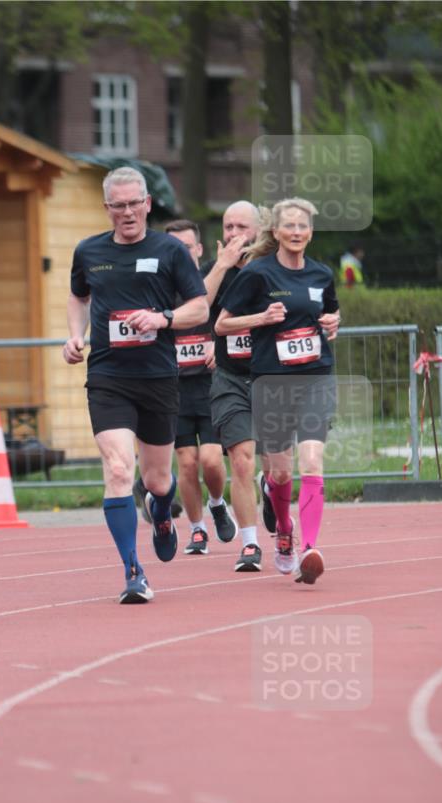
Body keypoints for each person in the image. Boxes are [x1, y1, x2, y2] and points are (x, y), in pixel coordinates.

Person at [64, 166, 209, 604]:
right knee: (119, 470)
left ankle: (162, 513)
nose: (127, 212)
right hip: (108, 377)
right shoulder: (88, 251)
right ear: (107, 208)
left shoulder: (169, 251)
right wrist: (76, 335)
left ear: (148, 204)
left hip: (158, 378)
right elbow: (78, 296)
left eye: (134, 203)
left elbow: (200, 308)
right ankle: (132, 570)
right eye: (118, 205)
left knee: (158, 479)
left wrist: (162, 318)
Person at [215, 197, 340, 584]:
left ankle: (310, 549)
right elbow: (221, 325)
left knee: (313, 462)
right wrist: (262, 318)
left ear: (311, 232)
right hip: (272, 383)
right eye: (290, 226)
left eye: (304, 227)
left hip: (316, 378)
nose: (297, 232)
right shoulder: (257, 275)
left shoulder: (321, 275)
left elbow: (329, 314)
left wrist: (334, 322)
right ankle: (284, 530)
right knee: (281, 474)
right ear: (276, 232)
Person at [205, 201, 276, 572]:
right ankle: (250, 545)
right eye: (227, 226)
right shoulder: (218, 271)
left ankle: (272, 491)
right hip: (230, 379)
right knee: (242, 461)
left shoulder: (275, 268)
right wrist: (220, 266)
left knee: (277, 469)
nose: (233, 234)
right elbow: (196, 309)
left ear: (259, 230)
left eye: (241, 227)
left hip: (272, 379)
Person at [161, 218, 237, 555]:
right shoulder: (158, 286)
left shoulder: (215, 282)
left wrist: (217, 347)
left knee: (210, 460)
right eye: (173, 247)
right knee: (187, 462)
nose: (180, 253)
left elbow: (231, 321)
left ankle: (218, 503)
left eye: (186, 247)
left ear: (199, 249)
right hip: (174, 391)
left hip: (210, 389)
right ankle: (196, 530)